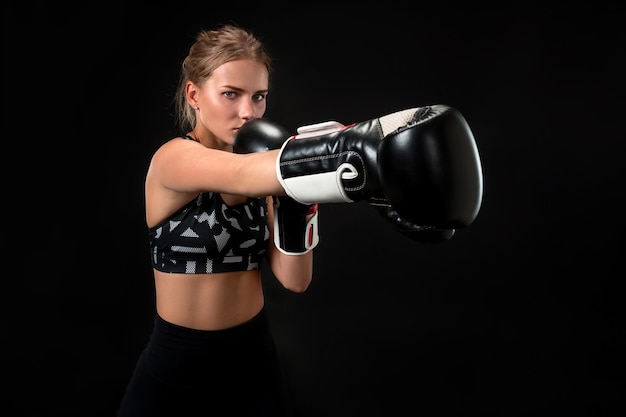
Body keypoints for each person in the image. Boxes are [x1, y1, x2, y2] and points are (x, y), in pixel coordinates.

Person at [118, 23, 483, 417]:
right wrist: (319, 164)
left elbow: (295, 279)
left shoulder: (269, 165)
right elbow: (239, 175)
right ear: (194, 94)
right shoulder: (173, 159)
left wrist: (300, 198)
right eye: (230, 94)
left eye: (259, 97)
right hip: (177, 365)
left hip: (253, 360)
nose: (247, 112)